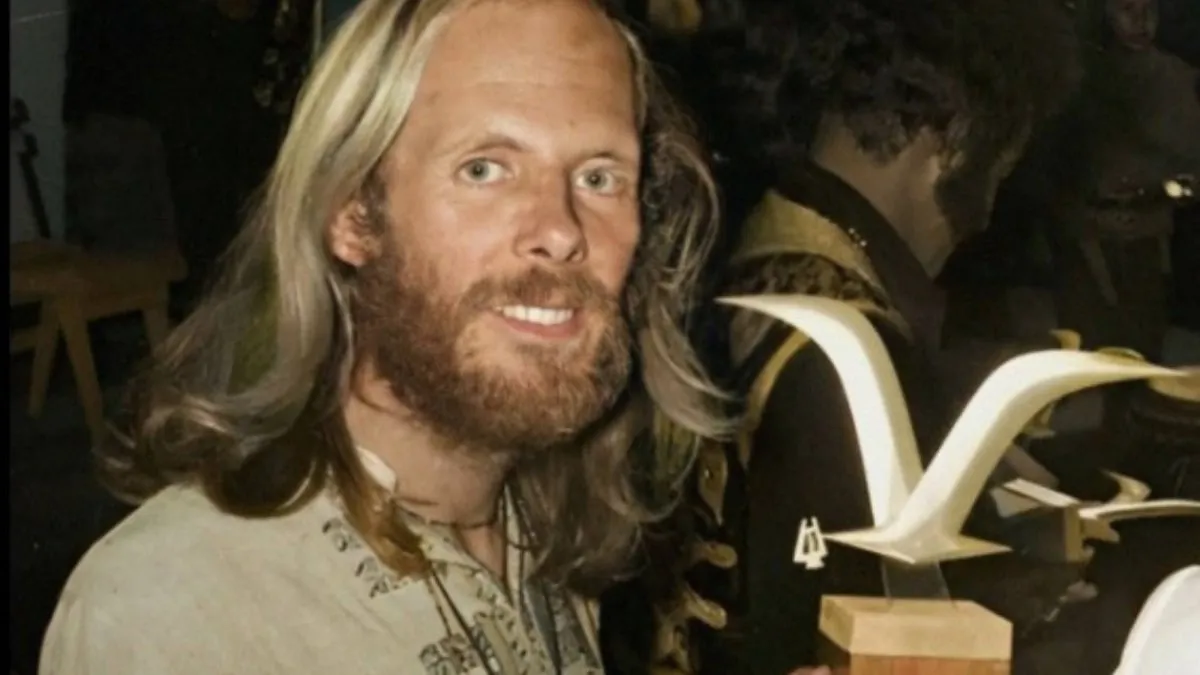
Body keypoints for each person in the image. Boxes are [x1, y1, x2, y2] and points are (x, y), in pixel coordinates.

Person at [38, 0, 730, 672]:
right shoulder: (177, 617)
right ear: (354, 213)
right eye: (484, 169)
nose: (560, 230)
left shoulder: (539, 532)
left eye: (599, 177)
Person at [650, 1, 1089, 673]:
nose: (987, 211)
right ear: (953, 142)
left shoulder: (752, 246)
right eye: (999, 170)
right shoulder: (851, 353)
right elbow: (844, 632)